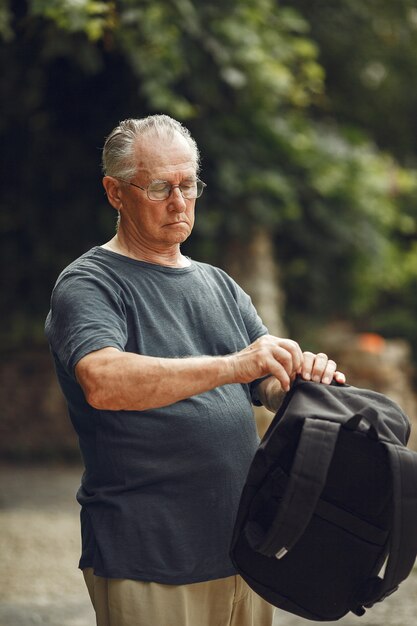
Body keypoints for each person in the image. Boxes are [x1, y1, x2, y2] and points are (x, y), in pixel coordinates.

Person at [45, 114, 345, 626]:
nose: (179, 202)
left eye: (188, 185)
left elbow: (266, 382)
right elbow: (104, 381)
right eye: (160, 187)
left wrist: (299, 377)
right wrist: (234, 365)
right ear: (115, 193)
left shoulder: (219, 285)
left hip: (243, 551)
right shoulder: (90, 283)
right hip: (149, 557)